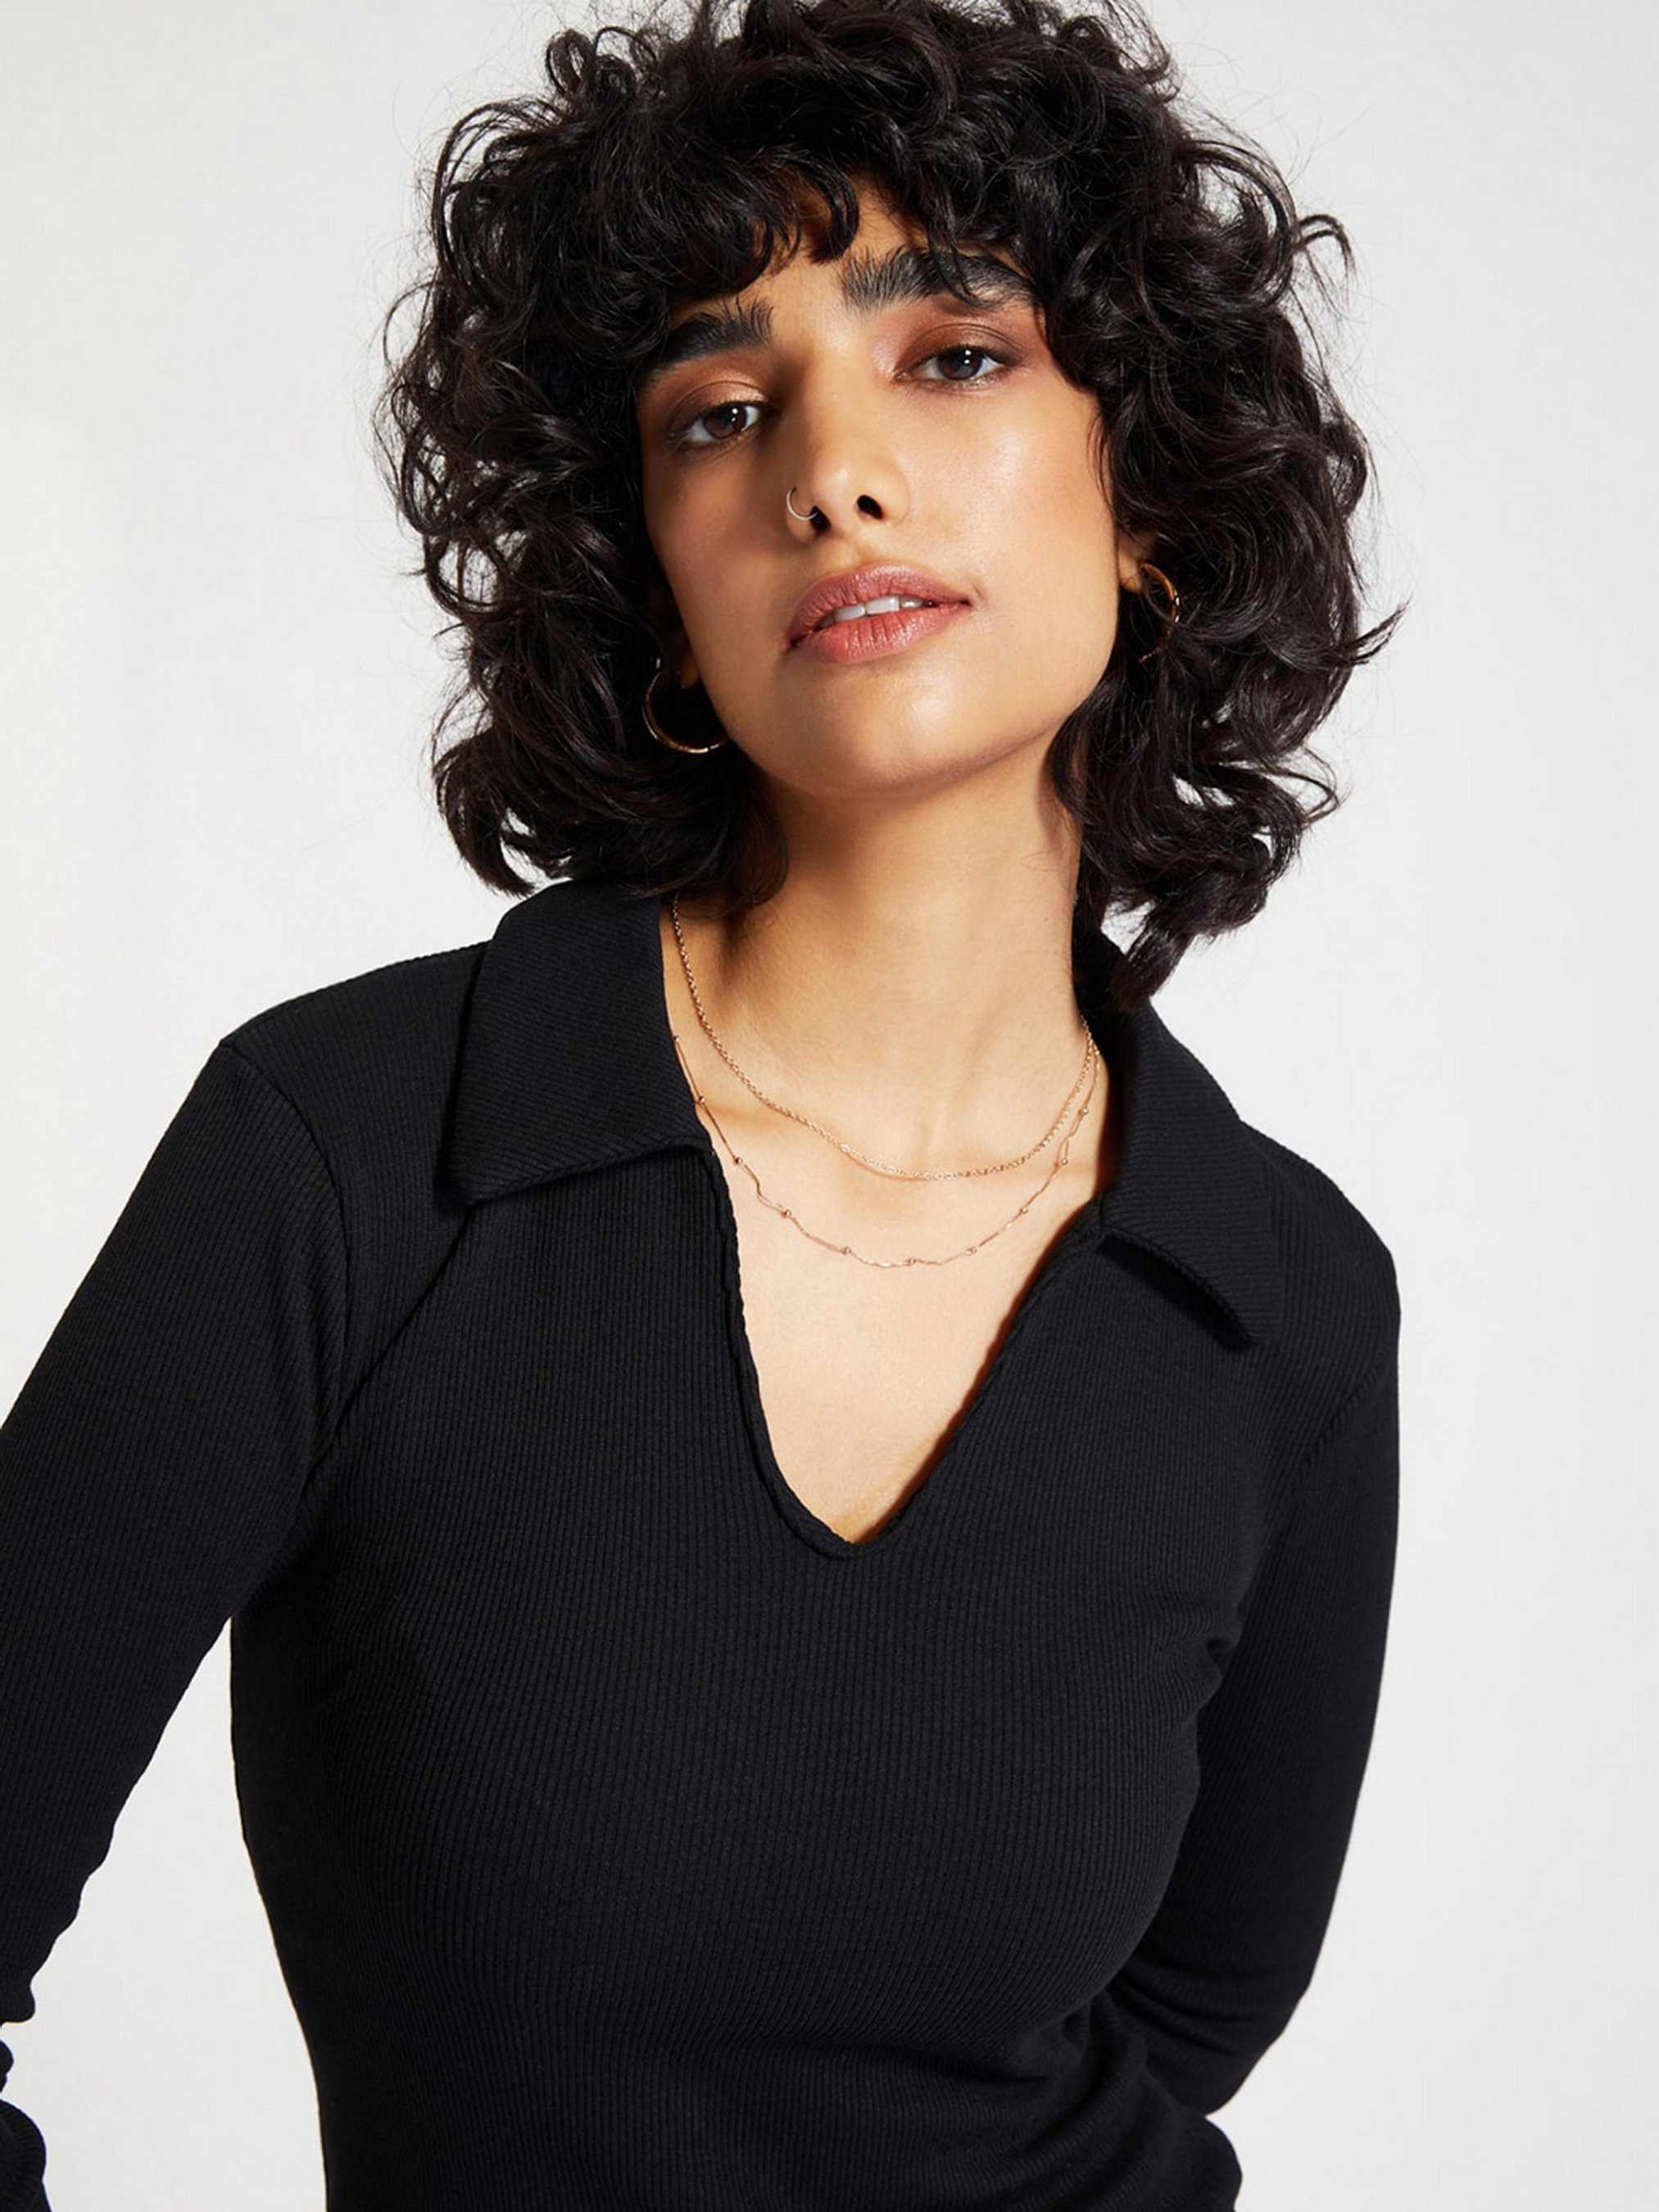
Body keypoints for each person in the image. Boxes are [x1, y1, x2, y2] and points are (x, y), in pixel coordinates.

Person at [0, 0, 1403, 2204]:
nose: (829, 471)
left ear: (1147, 497)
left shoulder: (1278, 1293)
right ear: (657, 580)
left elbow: (1186, 2023)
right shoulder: (354, 1155)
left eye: (954, 353)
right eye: (719, 410)